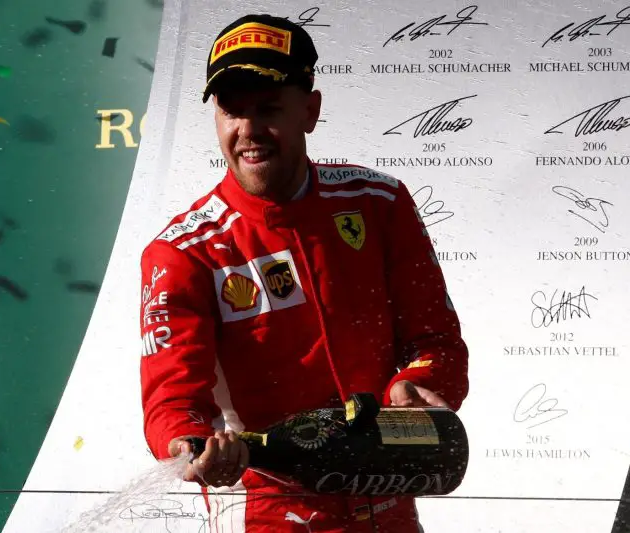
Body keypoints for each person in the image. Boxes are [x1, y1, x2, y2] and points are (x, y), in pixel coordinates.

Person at [139, 13, 469, 532]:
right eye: (231, 111)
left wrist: (418, 383)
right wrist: (189, 444)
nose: (248, 131)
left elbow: (436, 340)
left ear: (310, 111)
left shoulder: (378, 204)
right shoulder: (184, 252)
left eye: (268, 109)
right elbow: (173, 397)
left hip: (386, 505)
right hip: (264, 513)